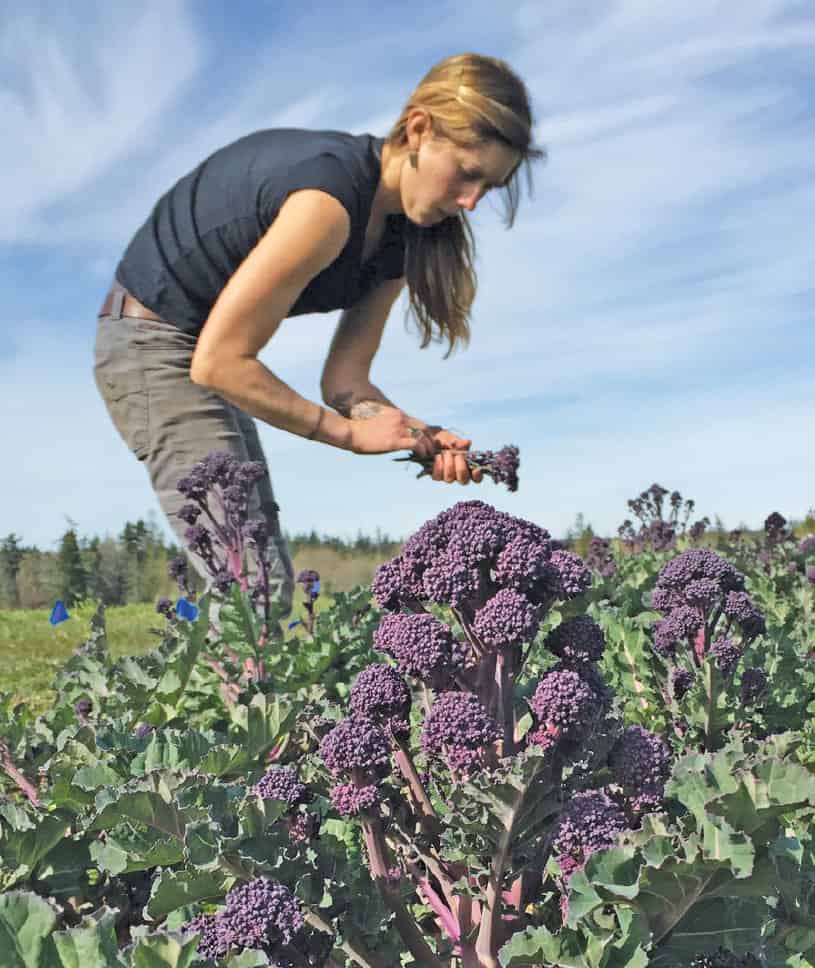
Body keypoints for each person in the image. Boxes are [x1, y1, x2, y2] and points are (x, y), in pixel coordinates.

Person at [92, 53, 544, 618]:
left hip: (199, 344)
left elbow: (347, 381)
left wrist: (420, 436)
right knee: (250, 587)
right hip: (149, 341)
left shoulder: (398, 242)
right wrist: (347, 437)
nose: (472, 201)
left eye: (490, 187)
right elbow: (221, 363)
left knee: (255, 577)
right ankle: (213, 706)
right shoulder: (325, 205)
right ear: (420, 129)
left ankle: (232, 704)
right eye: (468, 173)